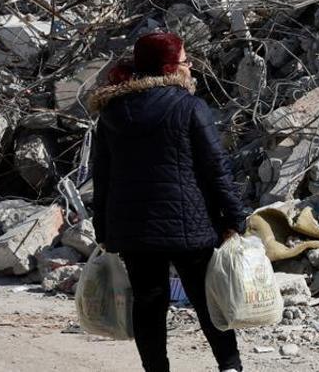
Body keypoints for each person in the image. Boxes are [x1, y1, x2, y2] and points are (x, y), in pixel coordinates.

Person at [89, 32, 247, 372]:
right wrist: (235, 216)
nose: (190, 68)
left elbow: (101, 176)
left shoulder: (113, 112)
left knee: (148, 302)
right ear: (168, 67)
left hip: (133, 229)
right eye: (185, 61)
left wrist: (102, 227)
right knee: (208, 299)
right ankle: (230, 366)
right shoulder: (189, 107)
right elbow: (215, 167)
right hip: (189, 224)